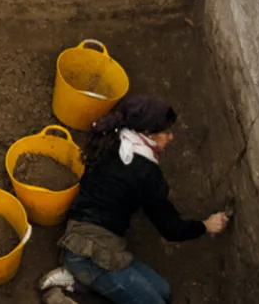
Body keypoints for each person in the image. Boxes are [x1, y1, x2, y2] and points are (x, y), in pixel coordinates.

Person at [39, 95, 229, 304]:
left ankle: (79, 281)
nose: (171, 137)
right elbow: (171, 229)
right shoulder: (146, 172)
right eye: (166, 132)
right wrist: (205, 225)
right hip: (92, 255)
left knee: (164, 292)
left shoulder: (112, 142)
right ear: (147, 134)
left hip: (86, 242)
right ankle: (63, 297)